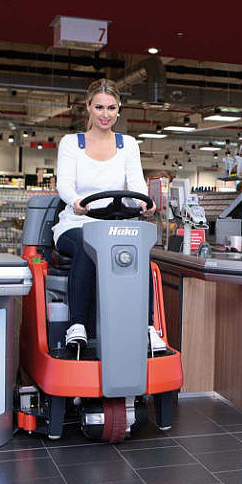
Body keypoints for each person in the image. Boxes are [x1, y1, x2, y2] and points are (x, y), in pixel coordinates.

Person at [51, 78, 165, 352]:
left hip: (114, 225)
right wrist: (76, 201)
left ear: (119, 109)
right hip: (77, 223)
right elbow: (64, 184)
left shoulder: (128, 145)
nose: (105, 114)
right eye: (99, 107)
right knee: (87, 242)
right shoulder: (71, 143)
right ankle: (77, 325)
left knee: (139, 252)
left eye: (111, 108)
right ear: (88, 107)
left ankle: (147, 327)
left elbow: (136, 184)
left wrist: (144, 202)